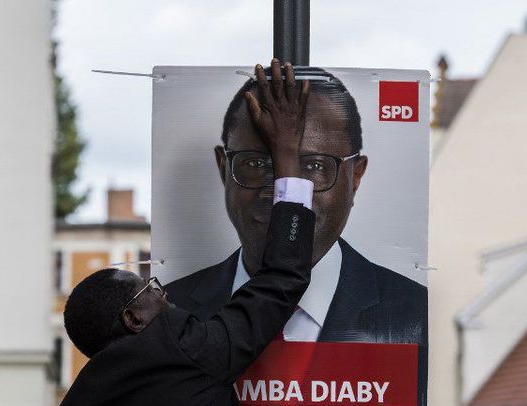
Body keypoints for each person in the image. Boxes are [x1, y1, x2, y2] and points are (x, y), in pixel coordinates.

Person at [43, 61, 315, 406]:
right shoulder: (177, 350)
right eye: (149, 288)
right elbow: (281, 279)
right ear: (134, 320)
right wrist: (289, 155)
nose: (163, 290)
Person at [166, 65, 427, 345]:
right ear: (223, 168)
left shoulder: (413, 313)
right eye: (254, 164)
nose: (278, 195)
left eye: (314, 166)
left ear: (356, 177)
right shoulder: (170, 313)